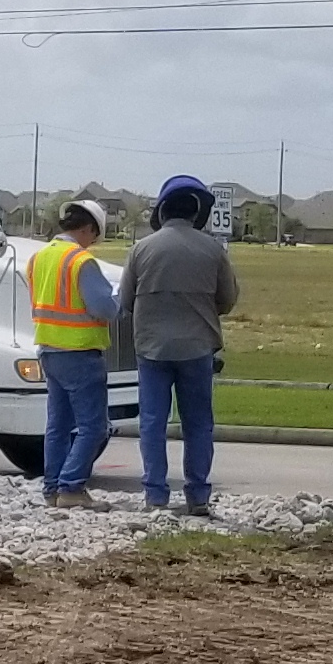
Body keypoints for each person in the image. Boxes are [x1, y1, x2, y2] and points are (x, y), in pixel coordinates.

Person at [112, 174, 242, 516]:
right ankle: (197, 496)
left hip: (151, 349)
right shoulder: (213, 249)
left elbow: (125, 300)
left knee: (152, 422)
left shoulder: (141, 249)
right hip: (197, 348)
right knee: (198, 423)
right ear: (197, 213)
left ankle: (155, 494)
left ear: (163, 212)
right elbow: (228, 300)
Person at [24, 198, 118, 504]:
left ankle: (52, 488)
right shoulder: (80, 261)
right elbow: (103, 307)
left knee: (58, 427)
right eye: (95, 236)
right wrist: (120, 302)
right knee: (94, 427)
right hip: (79, 351)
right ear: (89, 229)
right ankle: (71, 486)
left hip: (48, 349)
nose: (93, 243)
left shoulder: (38, 258)